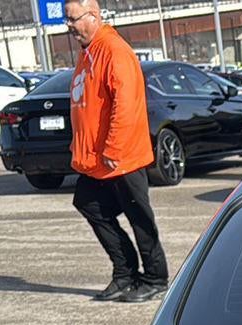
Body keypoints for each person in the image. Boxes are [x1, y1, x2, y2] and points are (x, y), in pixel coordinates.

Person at [64, 0, 167, 302]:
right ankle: (125, 273)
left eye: (73, 19)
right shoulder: (88, 53)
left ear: (93, 16)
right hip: (97, 158)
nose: (69, 26)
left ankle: (156, 278)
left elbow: (126, 104)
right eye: (67, 20)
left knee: (139, 217)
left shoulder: (113, 50)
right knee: (88, 203)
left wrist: (114, 147)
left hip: (121, 156)